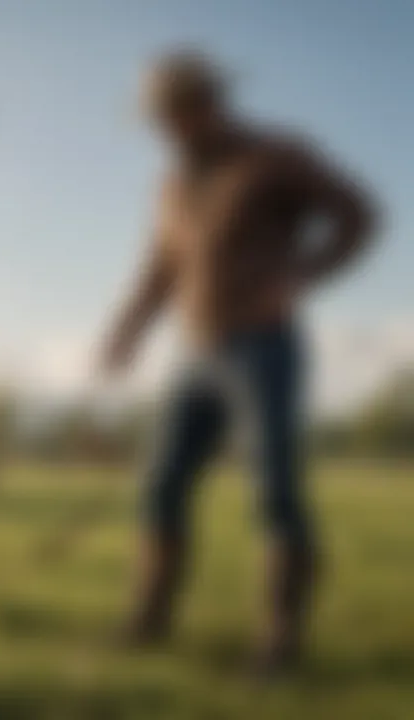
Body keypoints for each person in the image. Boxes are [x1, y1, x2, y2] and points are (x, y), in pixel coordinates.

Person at [100, 50, 379, 677]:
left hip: (263, 348)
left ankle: (279, 644)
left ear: (205, 104)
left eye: (169, 114)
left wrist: (305, 273)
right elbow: (161, 268)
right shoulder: (171, 185)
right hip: (192, 356)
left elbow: (359, 215)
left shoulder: (277, 157)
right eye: (155, 118)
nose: (160, 128)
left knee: (275, 490)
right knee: (160, 486)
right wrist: (126, 331)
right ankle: (149, 620)